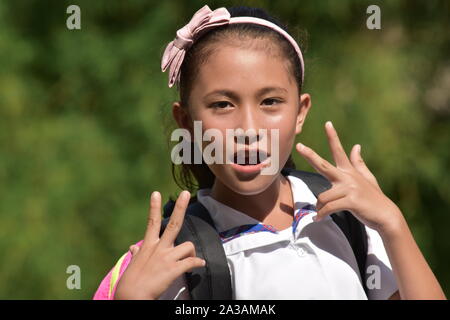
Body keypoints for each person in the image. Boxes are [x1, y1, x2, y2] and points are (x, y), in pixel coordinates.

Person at [93, 5, 446, 300]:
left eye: (271, 102)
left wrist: (393, 224)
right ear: (185, 121)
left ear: (300, 112)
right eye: (222, 104)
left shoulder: (349, 219)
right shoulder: (175, 260)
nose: (248, 129)